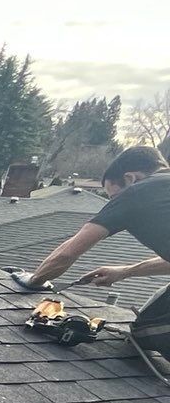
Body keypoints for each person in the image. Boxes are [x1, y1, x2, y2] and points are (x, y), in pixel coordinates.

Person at [21, 145, 170, 350]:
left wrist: (34, 280)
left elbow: (68, 252)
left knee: (143, 334)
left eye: (113, 197)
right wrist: (125, 272)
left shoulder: (138, 191)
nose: (115, 204)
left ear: (130, 179)